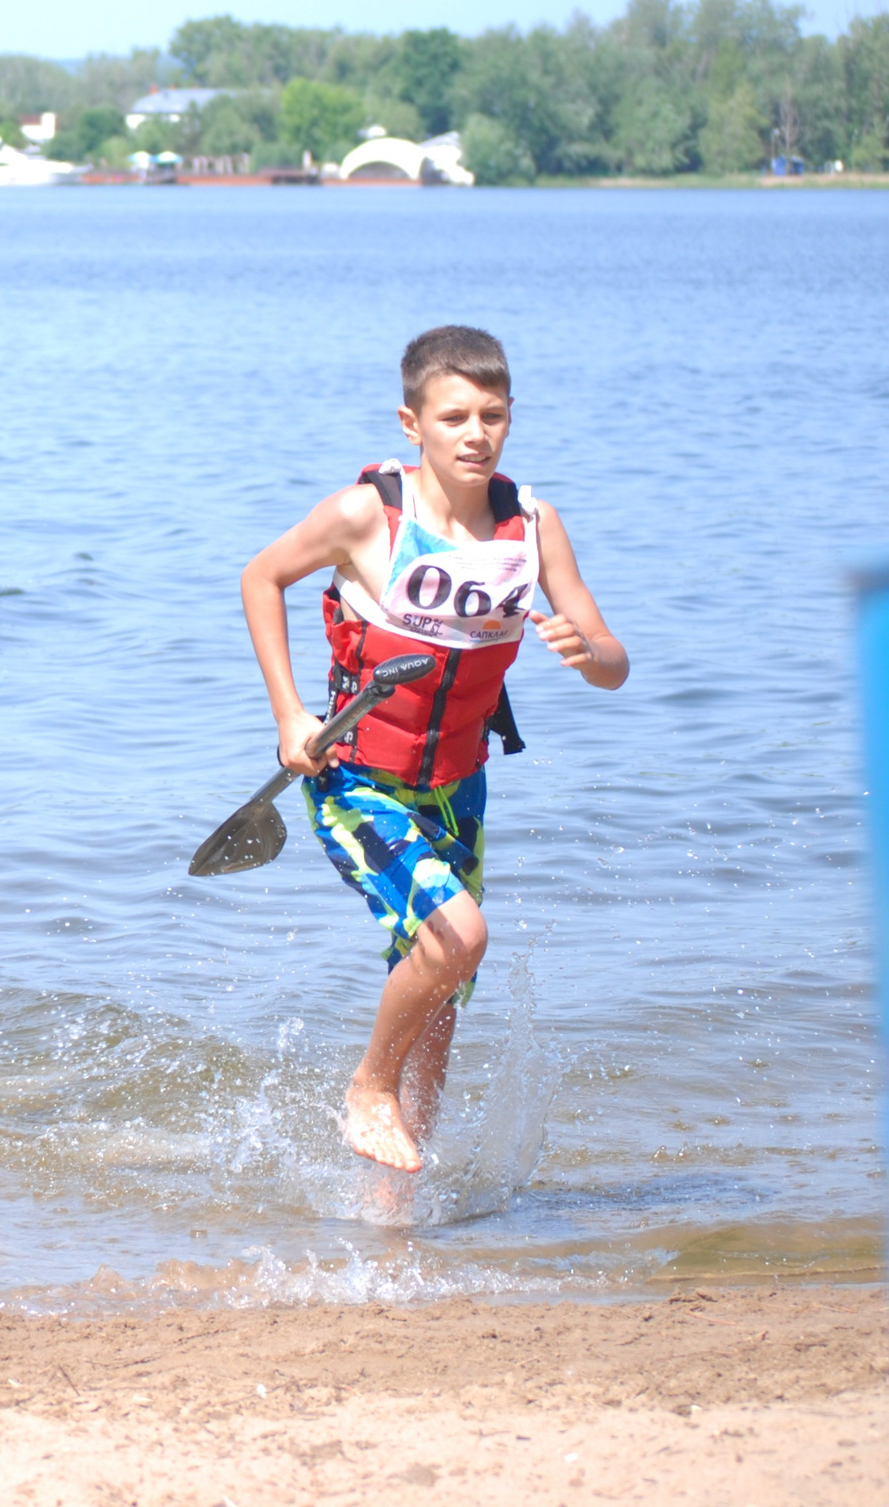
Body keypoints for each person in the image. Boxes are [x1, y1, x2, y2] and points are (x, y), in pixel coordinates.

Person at [237, 327, 628, 1173]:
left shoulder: (533, 526)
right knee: (459, 938)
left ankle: (395, 1222)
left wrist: (585, 651)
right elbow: (259, 578)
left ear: (511, 419)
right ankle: (367, 1091)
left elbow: (614, 664)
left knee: (440, 999)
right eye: (454, 416)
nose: (475, 433)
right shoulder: (367, 516)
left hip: (459, 789)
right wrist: (288, 714)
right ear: (412, 423)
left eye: (492, 415)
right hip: (356, 778)